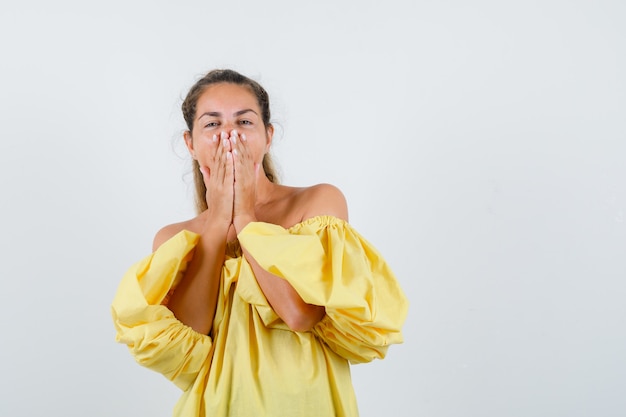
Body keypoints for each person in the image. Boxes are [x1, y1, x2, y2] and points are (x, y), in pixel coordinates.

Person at [111, 69, 409, 417]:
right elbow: (189, 338)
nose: (229, 135)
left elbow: (301, 314)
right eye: (212, 124)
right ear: (190, 144)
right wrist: (218, 220)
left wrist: (246, 219)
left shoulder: (317, 204)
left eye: (244, 122)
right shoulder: (174, 239)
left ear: (267, 136)